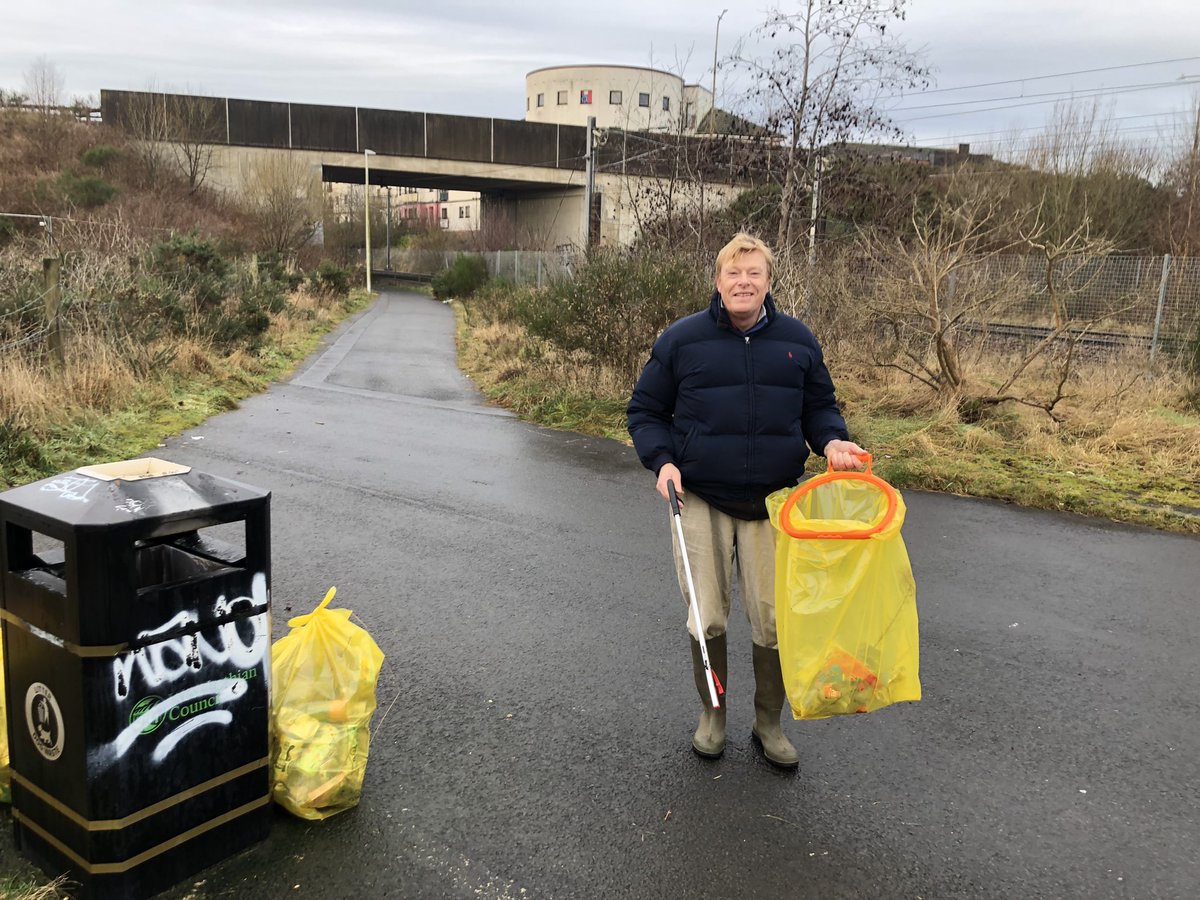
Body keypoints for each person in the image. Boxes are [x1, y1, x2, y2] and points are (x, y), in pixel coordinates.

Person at [627, 232, 866, 768]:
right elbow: (644, 411)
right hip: (699, 499)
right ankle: (713, 716)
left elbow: (819, 409)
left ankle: (768, 723)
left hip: (774, 506)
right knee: (707, 617)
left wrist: (831, 441)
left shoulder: (798, 341)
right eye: (734, 274)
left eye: (754, 273)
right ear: (718, 281)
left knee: (774, 622)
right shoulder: (682, 340)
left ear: (768, 283)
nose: (743, 282)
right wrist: (662, 460)